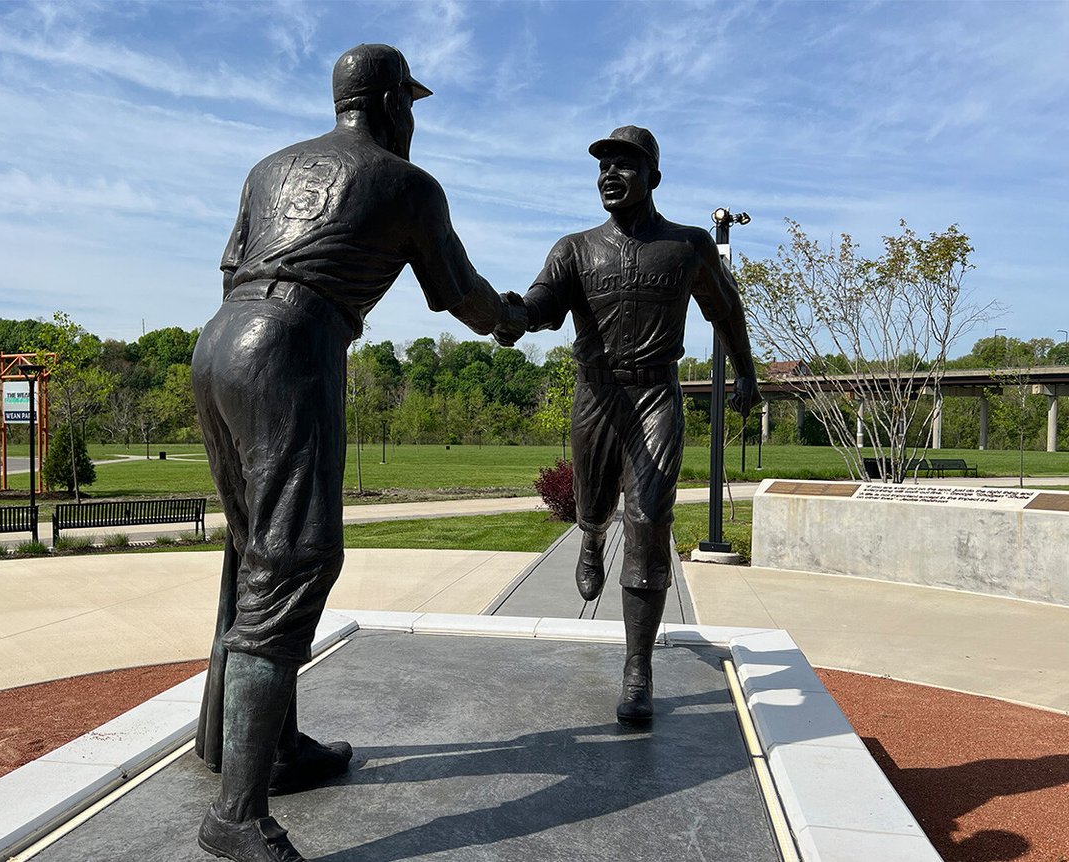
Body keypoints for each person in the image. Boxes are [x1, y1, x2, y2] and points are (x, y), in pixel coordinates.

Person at [191, 44, 526, 862]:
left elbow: (232, 263)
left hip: (218, 343)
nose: (411, 116)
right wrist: (513, 321)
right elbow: (462, 294)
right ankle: (235, 815)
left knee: (254, 551)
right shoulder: (406, 184)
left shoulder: (270, 166)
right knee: (297, 558)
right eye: (407, 103)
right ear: (382, 103)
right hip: (293, 345)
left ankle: (267, 745)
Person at [498, 125, 760, 724]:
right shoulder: (575, 248)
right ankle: (591, 537)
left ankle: (637, 668)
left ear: (653, 177)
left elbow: (726, 308)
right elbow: (541, 305)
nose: (609, 176)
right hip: (596, 394)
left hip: (654, 397)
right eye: (602, 168)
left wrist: (745, 373)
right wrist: (512, 314)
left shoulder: (688, 246)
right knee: (593, 505)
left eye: (624, 166)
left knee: (648, 521)